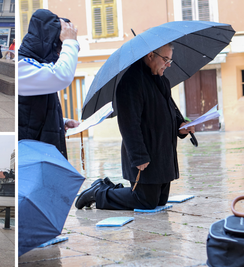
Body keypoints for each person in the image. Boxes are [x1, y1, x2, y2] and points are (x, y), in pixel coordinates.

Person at [75, 43, 196, 210]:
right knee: (145, 201)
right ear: (150, 55)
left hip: (163, 155)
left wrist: (180, 127)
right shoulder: (131, 81)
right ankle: (98, 193)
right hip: (145, 153)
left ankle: (109, 188)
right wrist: (138, 155)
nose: (168, 64)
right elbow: (128, 123)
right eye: (166, 59)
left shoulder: (162, 81)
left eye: (170, 60)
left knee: (159, 201)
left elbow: (167, 112)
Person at [18, 9, 80, 159]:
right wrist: (70, 42)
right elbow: (62, 76)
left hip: (39, 150)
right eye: (60, 46)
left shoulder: (39, 64)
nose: (60, 52)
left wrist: (61, 122)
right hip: (31, 155)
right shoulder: (23, 65)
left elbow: (34, 110)